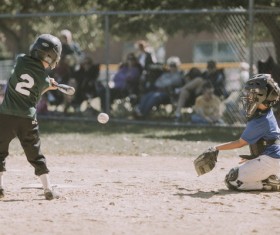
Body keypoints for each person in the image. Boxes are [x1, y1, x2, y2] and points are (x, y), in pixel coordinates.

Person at [0, 34, 62, 200]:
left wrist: (48, 83)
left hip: (5, 115)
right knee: (35, 154)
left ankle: (0, 187)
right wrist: (50, 85)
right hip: (27, 118)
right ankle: (48, 189)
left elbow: (27, 77)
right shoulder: (44, 78)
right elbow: (37, 89)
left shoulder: (21, 61)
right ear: (52, 57)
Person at [211, 74, 280, 191]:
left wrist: (215, 148)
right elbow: (268, 141)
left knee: (232, 179)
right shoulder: (266, 112)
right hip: (272, 159)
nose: (248, 96)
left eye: (252, 93)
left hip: (271, 161)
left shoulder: (260, 119)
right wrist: (255, 157)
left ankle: (268, 183)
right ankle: (271, 177)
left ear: (262, 96)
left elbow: (240, 143)